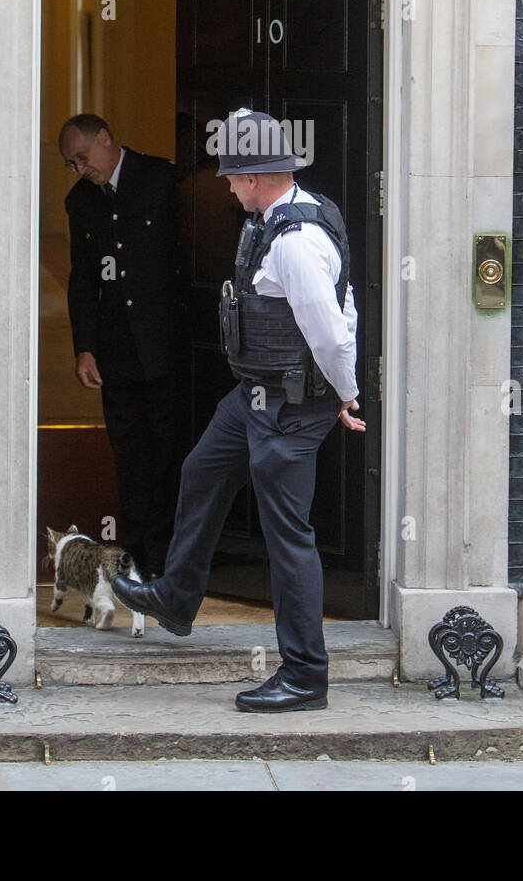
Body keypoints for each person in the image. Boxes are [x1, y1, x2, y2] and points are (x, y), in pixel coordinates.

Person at [113, 107, 364, 713]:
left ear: (255, 178)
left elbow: (333, 330)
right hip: (253, 397)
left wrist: (344, 392)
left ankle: (305, 674)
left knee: (288, 537)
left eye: (231, 176)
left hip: (292, 404)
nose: (225, 184)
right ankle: (177, 596)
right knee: (202, 471)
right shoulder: (272, 220)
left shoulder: (298, 243)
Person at [58, 113, 180, 579]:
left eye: (83, 157)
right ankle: (138, 557)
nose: (81, 169)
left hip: (167, 345)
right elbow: (83, 280)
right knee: (129, 455)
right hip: (117, 352)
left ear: (106, 138)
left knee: (170, 453)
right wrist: (84, 347)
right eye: (73, 163)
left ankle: (170, 558)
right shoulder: (80, 202)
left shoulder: (161, 178)